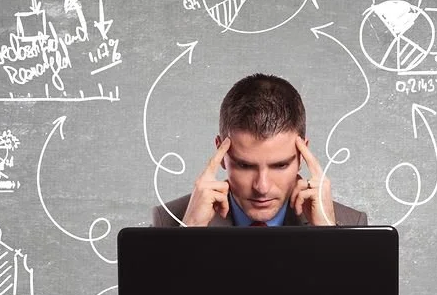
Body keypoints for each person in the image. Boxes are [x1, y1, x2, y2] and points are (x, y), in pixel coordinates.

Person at [152, 73, 368, 227]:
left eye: (280, 165)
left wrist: (331, 238)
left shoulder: (350, 224)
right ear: (222, 154)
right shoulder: (170, 221)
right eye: (245, 165)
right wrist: (189, 233)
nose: (262, 187)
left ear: (302, 156)